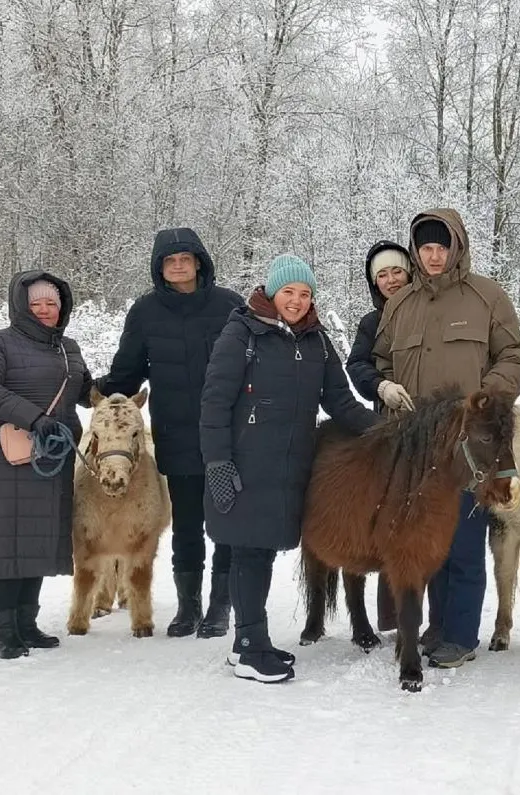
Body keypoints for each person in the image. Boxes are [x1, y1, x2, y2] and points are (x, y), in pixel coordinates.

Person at [200, 254, 378, 684]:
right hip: (244, 465)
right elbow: (214, 403)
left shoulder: (315, 341)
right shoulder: (242, 333)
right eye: (289, 292)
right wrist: (218, 464)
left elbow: (340, 402)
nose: (297, 302)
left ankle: (251, 640)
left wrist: (390, 430)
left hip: (289, 467)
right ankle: (248, 648)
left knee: (260, 551)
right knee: (247, 551)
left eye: (305, 294)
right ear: (271, 292)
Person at [372, 209, 520, 668]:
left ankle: (460, 635)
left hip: (469, 448)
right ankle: (437, 625)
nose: (434, 255)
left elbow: (516, 354)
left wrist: (485, 400)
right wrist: (386, 387)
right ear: (416, 251)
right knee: (426, 541)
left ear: (457, 247)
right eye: (426, 248)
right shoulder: (401, 305)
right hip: (414, 449)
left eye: (442, 247)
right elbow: (379, 360)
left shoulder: (486, 297)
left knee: (462, 542)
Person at [98, 228, 244, 640]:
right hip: (176, 433)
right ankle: (188, 607)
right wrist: (94, 390)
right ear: (159, 267)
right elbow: (127, 371)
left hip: (226, 436)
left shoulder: (230, 306)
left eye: (185, 257)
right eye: (169, 260)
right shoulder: (144, 313)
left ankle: (220, 606)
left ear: (200, 261)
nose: (178, 265)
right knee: (186, 525)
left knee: (227, 522)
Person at [0, 272, 93, 660]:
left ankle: (27, 621)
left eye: (51, 303)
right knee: (6, 536)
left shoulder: (68, 347)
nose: (44, 310)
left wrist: (124, 380)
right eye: (36, 303)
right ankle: (4, 627)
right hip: (8, 452)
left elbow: (85, 391)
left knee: (39, 534)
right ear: (21, 305)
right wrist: (34, 418)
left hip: (53, 454)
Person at [345, 239, 413, 631]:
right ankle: (394, 616)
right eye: (381, 275)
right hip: (393, 429)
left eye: (396, 271)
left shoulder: (431, 311)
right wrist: (380, 386)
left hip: (438, 425)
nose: (390, 280)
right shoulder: (372, 323)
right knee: (396, 518)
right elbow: (356, 365)